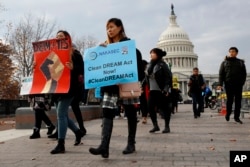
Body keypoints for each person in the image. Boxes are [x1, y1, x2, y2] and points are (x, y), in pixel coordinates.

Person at [89, 18, 143, 158]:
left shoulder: (128, 46)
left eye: (112, 27)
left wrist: (125, 77)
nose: (109, 30)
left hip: (126, 85)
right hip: (110, 86)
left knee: (130, 112)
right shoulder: (105, 47)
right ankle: (104, 146)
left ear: (120, 28)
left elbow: (136, 65)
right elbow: (98, 67)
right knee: (107, 113)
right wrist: (99, 54)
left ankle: (131, 143)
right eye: (107, 28)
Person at [49, 30, 84, 154]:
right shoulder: (53, 54)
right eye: (57, 37)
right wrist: (36, 65)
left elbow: (82, 70)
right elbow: (46, 68)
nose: (59, 38)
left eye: (61, 36)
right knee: (62, 115)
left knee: (60, 114)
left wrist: (73, 68)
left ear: (67, 38)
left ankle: (61, 144)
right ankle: (78, 132)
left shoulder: (75, 53)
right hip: (57, 89)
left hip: (70, 89)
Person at [145, 48, 172, 133]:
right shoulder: (149, 65)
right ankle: (155, 126)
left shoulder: (162, 65)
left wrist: (166, 89)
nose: (151, 55)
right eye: (151, 53)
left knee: (164, 109)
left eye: (152, 53)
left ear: (158, 54)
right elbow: (145, 77)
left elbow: (168, 77)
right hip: (152, 90)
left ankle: (167, 126)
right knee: (150, 107)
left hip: (161, 90)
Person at [217, 47, 247, 124]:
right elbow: (221, 74)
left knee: (238, 101)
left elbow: (244, 74)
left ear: (236, 53)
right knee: (229, 100)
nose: (231, 53)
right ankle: (228, 113)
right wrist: (220, 84)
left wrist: (242, 82)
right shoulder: (224, 63)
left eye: (233, 52)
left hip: (238, 85)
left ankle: (236, 117)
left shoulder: (240, 62)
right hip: (228, 84)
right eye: (230, 52)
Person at [140, 60, 149, 124]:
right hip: (143, 89)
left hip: (140, 89)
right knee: (144, 103)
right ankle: (144, 117)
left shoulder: (145, 73)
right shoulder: (145, 73)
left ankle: (144, 116)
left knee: (142, 103)